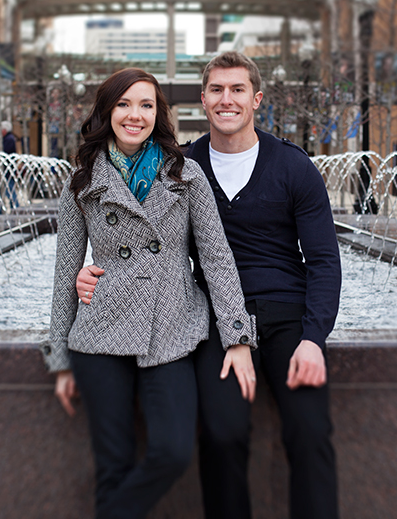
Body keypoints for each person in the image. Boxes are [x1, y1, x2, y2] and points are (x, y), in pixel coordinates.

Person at [78, 52, 342, 519]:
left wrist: (314, 338)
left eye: (237, 90)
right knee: (221, 432)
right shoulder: (182, 165)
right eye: (216, 91)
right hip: (215, 319)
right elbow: (137, 231)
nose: (227, 100)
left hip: (287, 315)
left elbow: (323, 261)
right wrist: (98, 272)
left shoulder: (293, 166)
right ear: (203, 100)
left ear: (256, 99)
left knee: (309, 430)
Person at [42, 67, 257, 519]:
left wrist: (237, 338)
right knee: (112, 467)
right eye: (123, 104)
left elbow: (217, 258)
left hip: (172, 330)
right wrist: (60, 359)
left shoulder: (186, 174)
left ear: (158, 113)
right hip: (101, 334)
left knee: (174, 451)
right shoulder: (82, 180)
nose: (134, 115)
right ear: (108, 111)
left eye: (145, 105)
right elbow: (66, 275)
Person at [0, 120, 19, 213]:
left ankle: (15, 210)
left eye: (1, 129)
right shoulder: (6, 139)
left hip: (6, 171)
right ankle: (2, 210)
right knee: (1, 192)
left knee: (9, 192)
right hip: (2, 171)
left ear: (5, 130)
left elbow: (3, 152)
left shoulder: (9, 139)